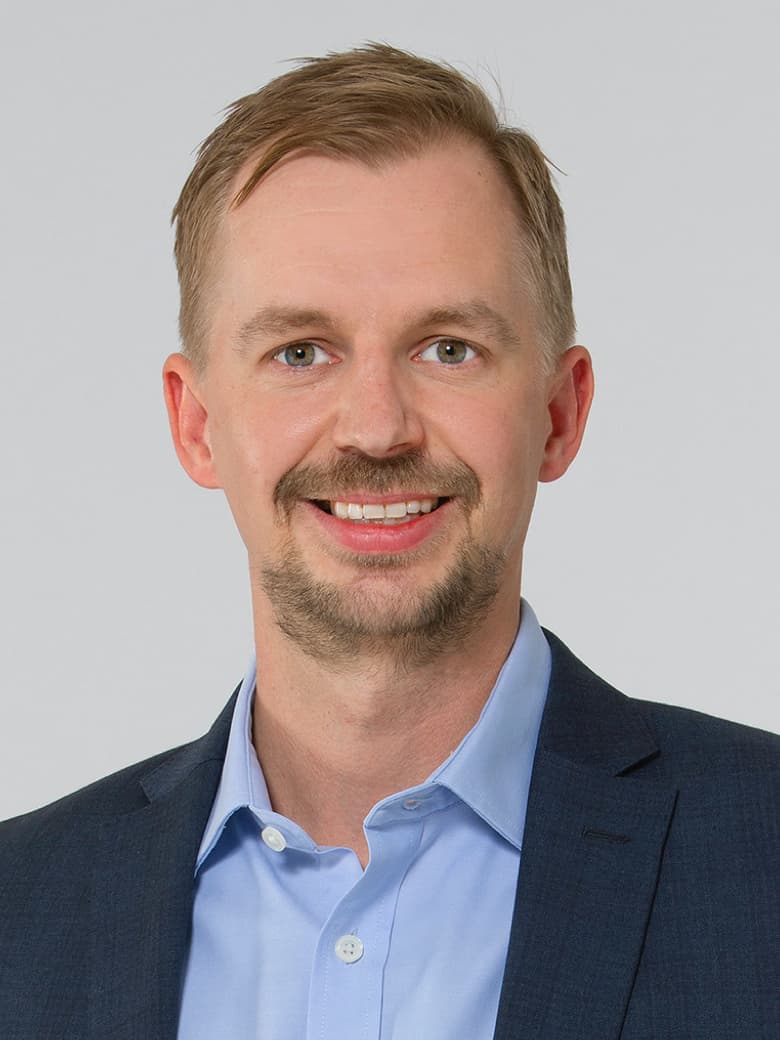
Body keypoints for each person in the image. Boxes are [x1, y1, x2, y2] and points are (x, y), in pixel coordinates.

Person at [0, 43, 777, 1040]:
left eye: (448, 347)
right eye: (301, 351)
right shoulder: (20, 918)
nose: (375, 426)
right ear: (197, 425)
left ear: (560, 410)